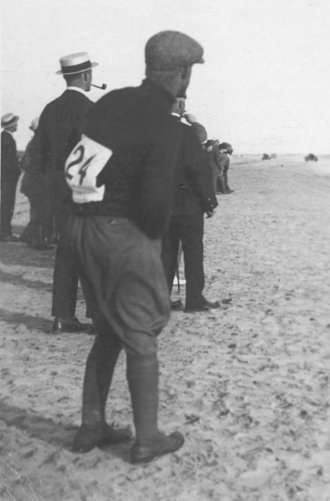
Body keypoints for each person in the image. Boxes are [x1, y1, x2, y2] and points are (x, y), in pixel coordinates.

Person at [67, 30, 204, 464]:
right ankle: (147, 439)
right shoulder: (165, 124)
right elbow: (155, 203)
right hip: (121, 231)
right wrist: (150, 238)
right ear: (182, 74)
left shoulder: (111, 101)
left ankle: (92, 424)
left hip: (81, 225)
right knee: (142, 328)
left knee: (110, 326)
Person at [37, 52, 99, 333]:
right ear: (86, 76)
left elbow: (38, 157)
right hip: (84, 192)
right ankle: (99, 318)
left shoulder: (50, 109)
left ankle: (62, 316)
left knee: (66, 252)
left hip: (58, 194)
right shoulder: (90, 109)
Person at [161, 99, 219, 313]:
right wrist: (209, 202)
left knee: (165, 254)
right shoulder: (188, 133)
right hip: (189, 205)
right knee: (193, 252)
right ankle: (194, 300)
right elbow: (198, 170)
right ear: (181, 105)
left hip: (162, 205)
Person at [19, 118, 53, 249]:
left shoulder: (32, 142)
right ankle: (37, 241)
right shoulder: (40, 144)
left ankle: (29, 236)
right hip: (38, 183)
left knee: (37, 211)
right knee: (41, 212)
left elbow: (24, 163)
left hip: (31, 183)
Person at [1, 113, 21, 241]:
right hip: (8, 178)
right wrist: (17, 169)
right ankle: (4, 232)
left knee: (5, 203)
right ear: (11, 125)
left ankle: (4, 231)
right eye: (15, 123)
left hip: (5, 177)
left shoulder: (4, 137)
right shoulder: (8, 139)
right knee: (7, 204)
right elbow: (9, 162)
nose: (17, 125)